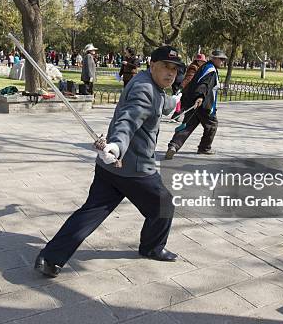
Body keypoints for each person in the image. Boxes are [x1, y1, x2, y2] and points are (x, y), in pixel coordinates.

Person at [35, 45, 184, 278]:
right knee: (164, 204)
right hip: (133, 169)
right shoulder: (144, 89)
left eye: (175, 69)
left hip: (109, 168)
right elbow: (130, 118)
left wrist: (173, 102)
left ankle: (50, 258)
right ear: (152, 64)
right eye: (166, 66)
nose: (171, 73)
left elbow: (160, 103)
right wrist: (117, 144)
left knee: (91, 212)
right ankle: (152, 248)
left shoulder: (149, 83)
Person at [165, 49, 227, 159]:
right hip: (203, 104)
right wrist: (200, 96)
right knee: (212, 125)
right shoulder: (210, 70)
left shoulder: (206, 67)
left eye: (223, 59)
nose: (222, 61)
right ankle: (204, 148)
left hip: (192, 101)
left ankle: (173, 146)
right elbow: (204, 84)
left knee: (187, 126)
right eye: (221, 59)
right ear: (214, 58)